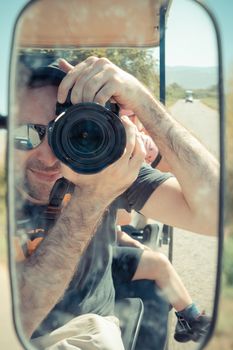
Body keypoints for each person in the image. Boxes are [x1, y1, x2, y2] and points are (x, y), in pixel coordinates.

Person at [14, 56, 219, 349]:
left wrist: (143, 103)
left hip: (90, 329)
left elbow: (220, 214)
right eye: (25, 134)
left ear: (89, 131)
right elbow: (16, 322)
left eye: (65, 133)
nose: (48, 157)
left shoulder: (100, 168)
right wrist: (92, 199)